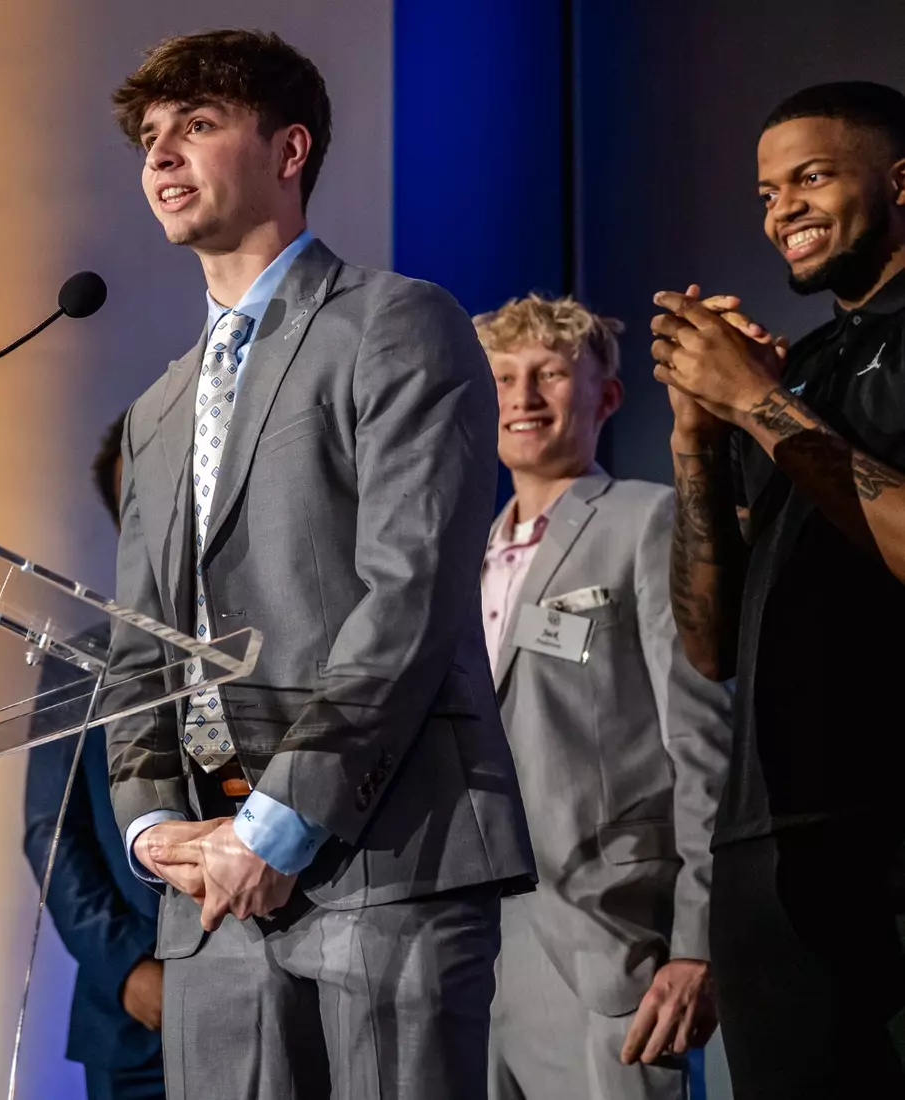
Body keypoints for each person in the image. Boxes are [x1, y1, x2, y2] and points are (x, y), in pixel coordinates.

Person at [102, 30, 533, 1099]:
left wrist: (280, 823)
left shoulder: (397, 322)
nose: (162, 156)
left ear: (289, 150)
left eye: (198, 125)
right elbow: (137, 647)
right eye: (150, 137)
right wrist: (153, 824)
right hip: (205, 889)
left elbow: (409, 597)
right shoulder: (156, 409)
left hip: (385, 857)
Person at [650, 81, 905, 1095]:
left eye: (812, 177)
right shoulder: (802, 371)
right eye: (766, 193)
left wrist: (755, 401)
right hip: (766, 849)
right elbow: (710, 643)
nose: (781, 210)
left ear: (899, 181)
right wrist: (697, 436)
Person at [476, 295, 731, 1099]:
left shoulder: (647, 520)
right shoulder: (463, 556)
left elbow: (702, 741)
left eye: (550, 374)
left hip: (612, 949)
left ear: (606, 396)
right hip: (475, 961)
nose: (523, 396)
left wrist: (698, 941)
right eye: (504, 378)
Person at [23, 413, 165, 1100]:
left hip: (261, 997)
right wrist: (128, 965)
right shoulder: (80, 663)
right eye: (134, 497)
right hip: (132, 1021)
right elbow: (51, 833)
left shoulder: (258, 640)